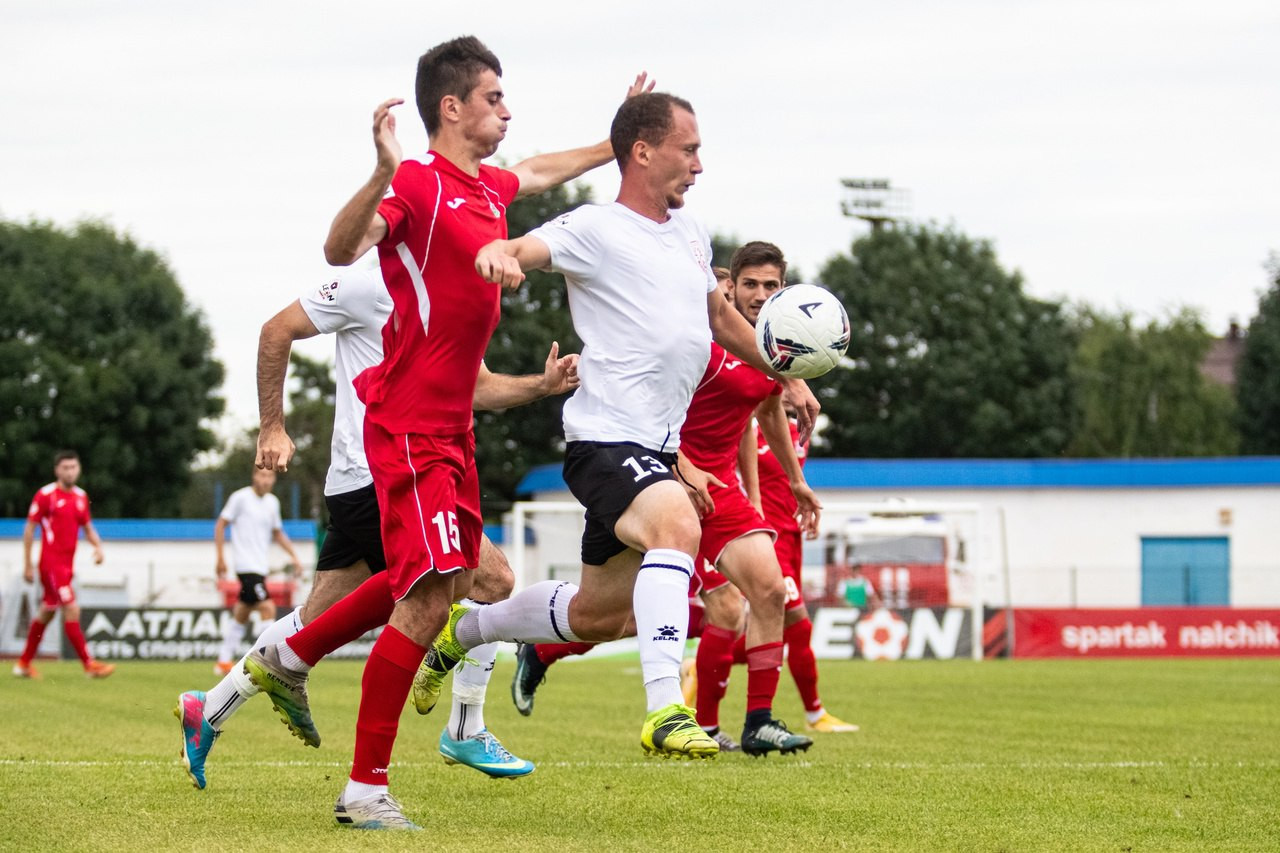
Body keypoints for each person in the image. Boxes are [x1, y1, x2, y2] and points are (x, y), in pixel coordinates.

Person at [244, 37, 650, 830]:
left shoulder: (488, 188)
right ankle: (364, 789)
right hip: (407, 425)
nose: (506, 109)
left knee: (446, 582)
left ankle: (290, 656)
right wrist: (383, 171)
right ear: (452, 107)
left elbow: (538, 171)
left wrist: (617, 140)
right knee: (430, 596)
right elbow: (338, 249)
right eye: (494, 97)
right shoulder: (421, 183)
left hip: (450, 429)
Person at [417, 92, 821, 765]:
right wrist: (500, 253)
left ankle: (470, 627)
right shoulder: (595, 227)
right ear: (642, 151)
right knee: (677, 527)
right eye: (688, 149)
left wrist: (779, 361)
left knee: (599, 614)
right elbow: (524, 244)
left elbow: (720, 322)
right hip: (606, 439)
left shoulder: (691, 237)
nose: (698, 164)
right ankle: (666, 708)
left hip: (657, 449)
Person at [175, 264, 578, 790]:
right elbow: (277, 330)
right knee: (492, 580)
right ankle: (464, 726)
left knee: (317, 617)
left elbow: (476, 387)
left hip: (385, 478)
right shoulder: (370, 282)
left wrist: (541, 387)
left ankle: (207, 710)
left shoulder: (448, 294)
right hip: (384, 474)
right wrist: (271, 426)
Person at [14, 450, 114, 679]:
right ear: (57, 470)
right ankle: (89, 665)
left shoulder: (80, 496)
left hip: (67, 566)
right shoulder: (46, 494)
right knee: (71, 608)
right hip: (51, 564)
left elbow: (87, 527)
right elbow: (30, 529)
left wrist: (98, 547)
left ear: (78, 469)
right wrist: (27, 565)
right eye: (65, 468)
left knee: (46, 612)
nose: (70, 471)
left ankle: (23, 664)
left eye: (73, 467)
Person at [212, 467, 304, 675]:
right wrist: (220, 558)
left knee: (242, 612)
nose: (265, 480)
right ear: (254, 476)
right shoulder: (240, 498)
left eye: (269, 476)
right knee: (267, 607)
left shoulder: (273, 502)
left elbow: (277, 533)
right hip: (245, 566)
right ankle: (265, 659)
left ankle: (223, 661)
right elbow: (220, 524)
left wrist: (294, 556)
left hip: (259, 567)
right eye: (262, 475)